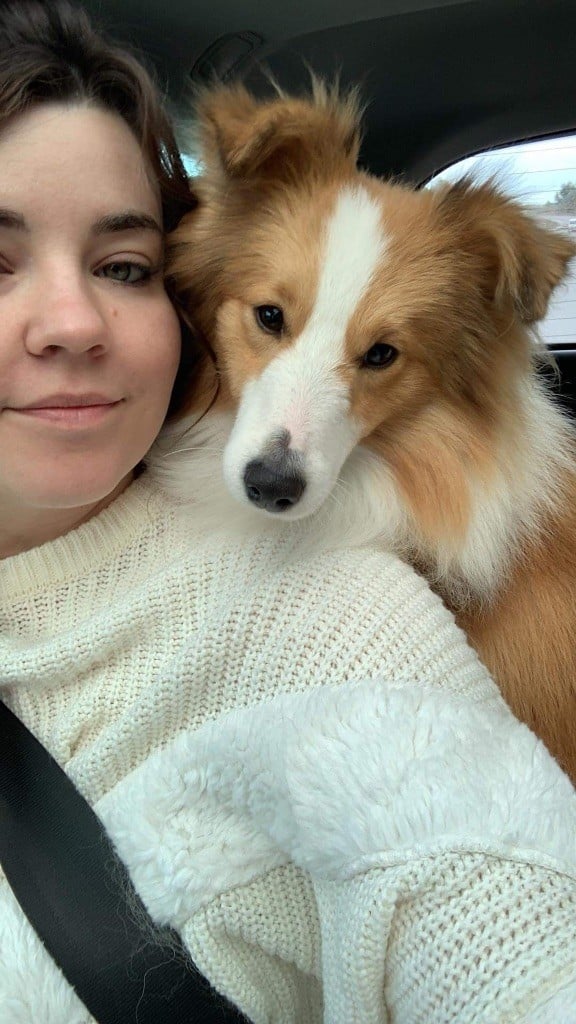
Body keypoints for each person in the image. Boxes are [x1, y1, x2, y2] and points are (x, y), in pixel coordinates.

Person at [0, 2, 575, 1022]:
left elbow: (497, 914)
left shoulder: (346, 617)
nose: (73, 323)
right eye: (269, 316)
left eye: (121, 266)